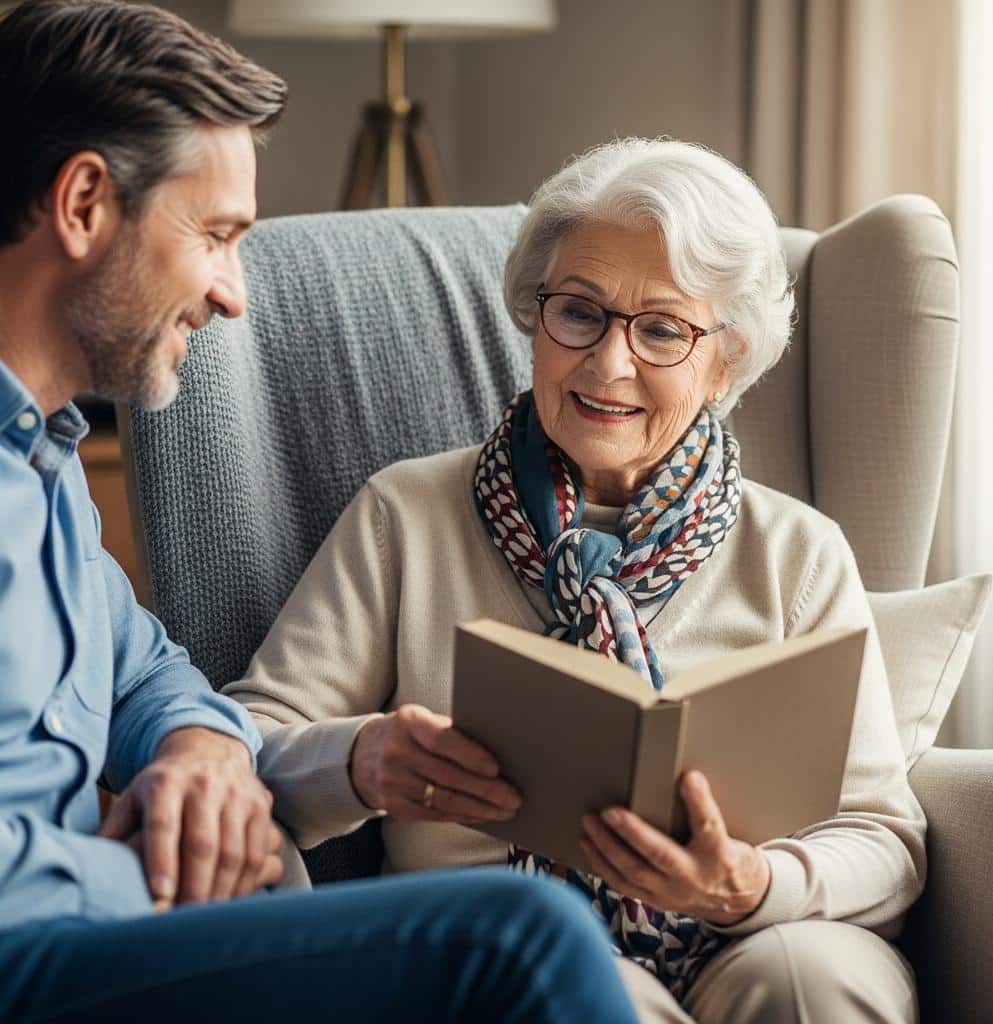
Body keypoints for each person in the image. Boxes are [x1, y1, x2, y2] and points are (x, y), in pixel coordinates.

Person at [0, 3, 642, 1021]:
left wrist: (200, 752)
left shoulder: (47, 462)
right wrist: (165, 880)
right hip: (45, 947)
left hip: (92, 936)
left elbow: (146, 669)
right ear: (83, 204)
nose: (233, 294)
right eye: (214, 236)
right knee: (522, 938)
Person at [224, 138, 926, 1023]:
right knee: (586, 992)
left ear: (727, 361)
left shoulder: (798, 550)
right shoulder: (405, 514)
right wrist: (361, 760)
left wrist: (752, 885)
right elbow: (243, 739)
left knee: (808, 981)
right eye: (580, 313)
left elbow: (884, 836)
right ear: (534, 315)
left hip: (751, 930)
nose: (608, 363)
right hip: (502, 937)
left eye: (663, 328)